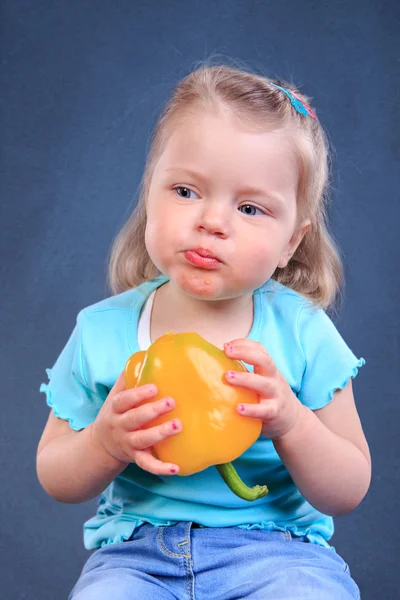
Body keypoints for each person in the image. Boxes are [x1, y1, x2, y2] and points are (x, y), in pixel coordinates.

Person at [36, 62, 370, 599]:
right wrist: (105, 441)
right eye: (187, 191)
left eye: (250, 207)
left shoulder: (303, 333)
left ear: (291, 241)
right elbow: (55, 475)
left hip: (277, 552)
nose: (212, 221)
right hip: (137, 556)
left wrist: (290, 422)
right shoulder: (101, 331)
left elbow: (349, 488)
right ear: (150, 192)